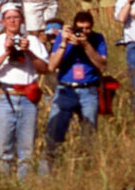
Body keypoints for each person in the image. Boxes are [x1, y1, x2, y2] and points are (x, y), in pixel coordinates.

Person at [0, 5, 50, 178]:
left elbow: (45, 69)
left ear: (22, 21)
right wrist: (6, 52)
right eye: (9, 17)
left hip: (27, 98)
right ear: (3, 22)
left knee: (26, 149)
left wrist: (28, 52)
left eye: (16, 17)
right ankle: (4, 184)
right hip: (4, 97)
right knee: (4, 149)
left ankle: (24, 184)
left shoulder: (33, 42)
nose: (12, 21)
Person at [44, 10, 107, 160]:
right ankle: (51, 162)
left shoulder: (97, 39)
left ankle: (87, 163)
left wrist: (86, 45)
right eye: (80, 29)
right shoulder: (63, 37)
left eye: (87, 29)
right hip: (65, 88)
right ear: (73, 27)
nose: (83, 32)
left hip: (88, 90)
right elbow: (51, 66)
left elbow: (102, 66)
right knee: (55, 131)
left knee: (89, 131)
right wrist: (64, 43)